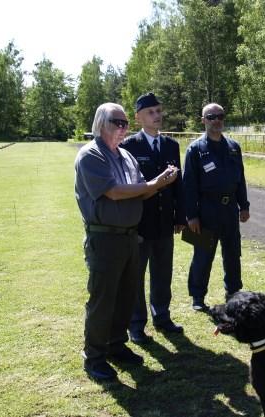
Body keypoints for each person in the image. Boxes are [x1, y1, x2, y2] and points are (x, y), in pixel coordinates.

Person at [74, 102, 179, 381]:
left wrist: (159, 183)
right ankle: (94, 356)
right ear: (100, 124)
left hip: (131, 236)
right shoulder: (91, 155)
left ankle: (116, 346)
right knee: (103, 300)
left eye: (124, 124)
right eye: (116, 122)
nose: (122, 128)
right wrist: (154, 184)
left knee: (125, 297)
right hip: (105, 237)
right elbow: (115, 192)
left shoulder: (126, 156)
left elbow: (140, 192)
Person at [120, 93, 186, 344]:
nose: (157, 116)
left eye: (159, 111)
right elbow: (128, 188)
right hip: (139, 223)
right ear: (138, 118)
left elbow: (179, 184)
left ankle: (162, 316)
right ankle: (136, 324)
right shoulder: (129, 147)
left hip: (164, 223)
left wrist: (180, 215)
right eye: (151, 112)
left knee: (162, 272)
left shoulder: (171, 146)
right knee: (136, 276)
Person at [182, 103, 250, 311]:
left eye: (220, 116)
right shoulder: (195, 149)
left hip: (229, 210)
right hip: (205, 211)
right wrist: (191, 216)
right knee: (202, 256)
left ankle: (234, 293)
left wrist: (244, 205)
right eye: (211, 117)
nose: (216, 120)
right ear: (203, 121)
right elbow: (188, 186)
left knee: (232, 254)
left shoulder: (233, 147)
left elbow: (241, 180)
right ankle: (197, 297)